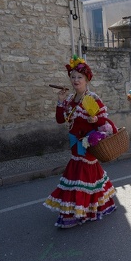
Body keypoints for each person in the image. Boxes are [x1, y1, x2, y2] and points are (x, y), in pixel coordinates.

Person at [44, 55, 117, 228]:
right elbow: (61, 120)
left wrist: (95, 121)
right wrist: (60, 102)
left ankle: (75, 214)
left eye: (80, 77)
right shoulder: (69, 99)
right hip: (74, 145)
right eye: (73, 77)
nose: (76, 80)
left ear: (86, 80)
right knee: (88, 178)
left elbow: (104, 122)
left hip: (88, 144)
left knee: (80, 178)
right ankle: (92, 207)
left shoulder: (93, 98)